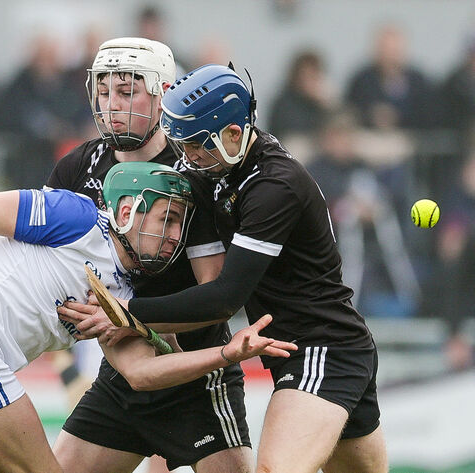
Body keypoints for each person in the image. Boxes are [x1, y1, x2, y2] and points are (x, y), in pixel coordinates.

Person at [0, 161, 296, 473]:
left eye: (181, 226)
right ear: (126, 211)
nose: (173, 238)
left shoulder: (123, 297)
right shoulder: (80, 217)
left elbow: (142, 373)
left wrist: (226, 353)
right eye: (167, 219)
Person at [58, 64, 388, 473]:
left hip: (322, 348)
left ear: (233, 133)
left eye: (197, 145)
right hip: (292, 350)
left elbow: (223, 299)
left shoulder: (273, 187)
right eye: (183, 145)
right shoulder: (219, 166)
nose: (189, 157)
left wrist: (126, 314)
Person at [47, 37, 254, 473]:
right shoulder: (76, 168)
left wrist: (132, 316)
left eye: (127, 91)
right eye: (104, 92)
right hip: (123, 373)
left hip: (193, 374)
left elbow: (214, 292)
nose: (112, 105)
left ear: (162, 92)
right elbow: (39, 256)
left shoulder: (195, 168)